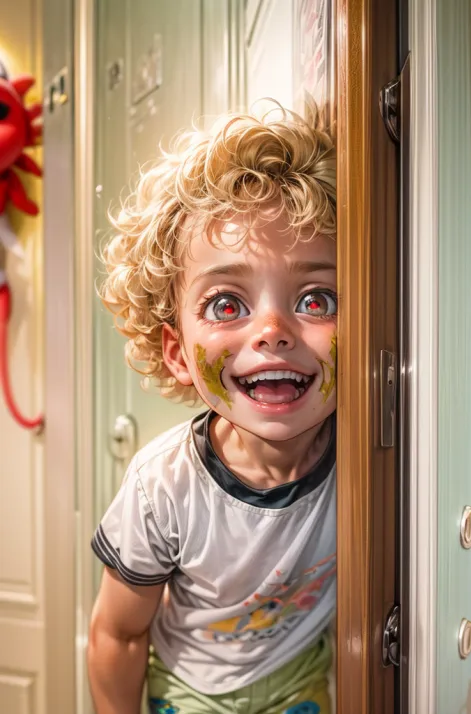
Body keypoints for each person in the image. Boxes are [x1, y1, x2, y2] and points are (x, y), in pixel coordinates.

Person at [87, 100, 337, 714]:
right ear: (176, 353)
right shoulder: (161, 487)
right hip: (189, 691)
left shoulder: (379, 459)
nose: (274, 330)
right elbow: (117, 635)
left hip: (304, 682)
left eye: (316, 299)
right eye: (228, 305)